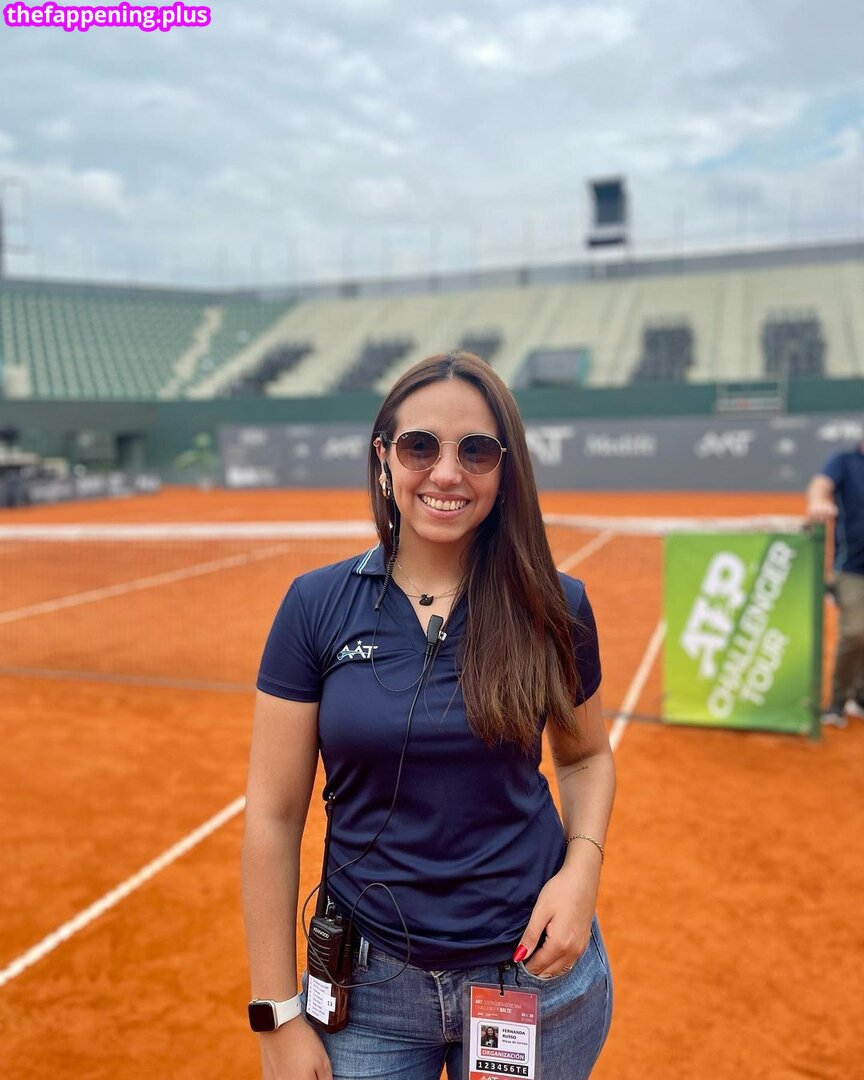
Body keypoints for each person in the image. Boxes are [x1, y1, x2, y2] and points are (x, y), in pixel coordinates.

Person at [242, 351, 614, 1080]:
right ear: (384, 457)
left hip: (530, 977)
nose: (447, 473)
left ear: (505, 471)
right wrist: (276, 1013)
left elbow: (586, 757)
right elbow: (273, 816)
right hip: (368, 993)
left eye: (476, 450)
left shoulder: (554, 605)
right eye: (420, 446)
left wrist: (581, 872)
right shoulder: (314, 607)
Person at [806, 438, 864, 726]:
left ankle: (860, 697)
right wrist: (817, 501)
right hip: (851, 569)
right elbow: (821, 485)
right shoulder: (844, 461)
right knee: (855, 632)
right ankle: (838, 701)